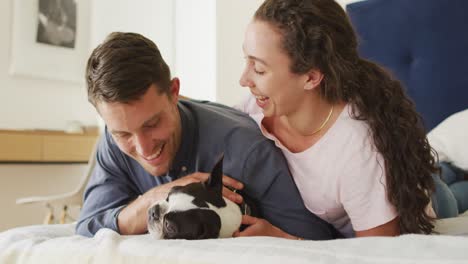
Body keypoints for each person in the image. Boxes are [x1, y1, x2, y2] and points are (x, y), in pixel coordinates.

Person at [76, 32, 340, 240]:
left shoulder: (244, 150)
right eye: (123, 133)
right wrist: (154, 198)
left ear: (174, 92)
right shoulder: (112, 145)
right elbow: (88, 225)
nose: (143, 149)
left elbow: (314, 241)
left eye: (152, 124)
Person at [234, 0, 438, 238]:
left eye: (259, 69)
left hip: (423, 192)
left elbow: (379, 252)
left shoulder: (356, 149)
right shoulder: (257, 107)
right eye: (246, 60)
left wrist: (286, 241)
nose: (243, 79)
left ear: (310, 78)